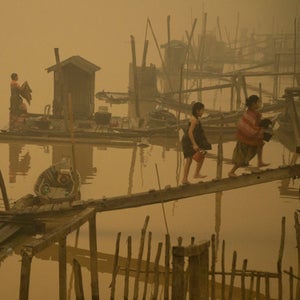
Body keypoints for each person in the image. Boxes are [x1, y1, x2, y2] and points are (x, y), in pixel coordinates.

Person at [228, 95, 269, 178]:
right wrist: (259, 130)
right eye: (258, 102)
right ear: (254, 104)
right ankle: (231, 172)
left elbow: (256, 124)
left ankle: (260, 161)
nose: (259, 104)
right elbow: (247, 127)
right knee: (241, 159)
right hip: (245, 138)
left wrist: (263, 124)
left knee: (260, 144)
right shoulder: (249, 114)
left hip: (251, 137)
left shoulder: (256, 114)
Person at [181, 102, 211, 184]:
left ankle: (196, 174)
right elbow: (190, 132)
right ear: (197, 111)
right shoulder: (194, 119)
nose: (203, 112)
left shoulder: (197, 119)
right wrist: (194, 144)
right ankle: (185, 179)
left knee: (201, 154)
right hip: (188, 141)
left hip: (190, 140)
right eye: (202, 110)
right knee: (189, 159)